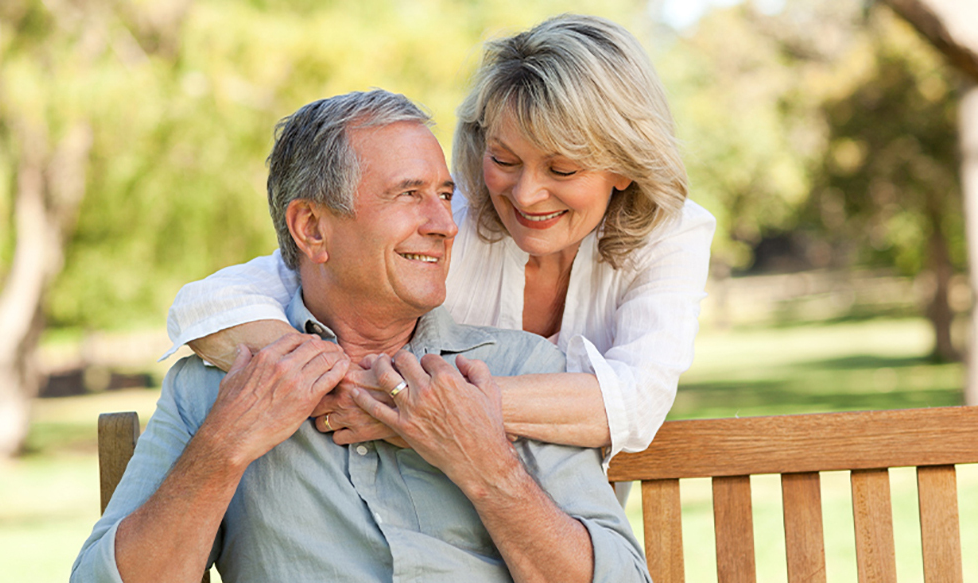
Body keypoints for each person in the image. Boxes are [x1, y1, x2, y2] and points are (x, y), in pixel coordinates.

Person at [71, 90, 648, 582]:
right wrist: (225, 446)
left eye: (445, 195)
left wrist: (485, 464)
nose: (446, 225)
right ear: (312, 228)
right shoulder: (216, 387)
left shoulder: (522, 365)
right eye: (408, 194)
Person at [163, 14, 715, 470]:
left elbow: (637, 402)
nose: (525, 194)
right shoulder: (446, 222)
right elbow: (211, 303)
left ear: (623, 167)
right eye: (503, 160)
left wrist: (429, 408)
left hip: (561, 525)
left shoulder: (672, 234)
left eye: (562, 169)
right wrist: (351, 384)